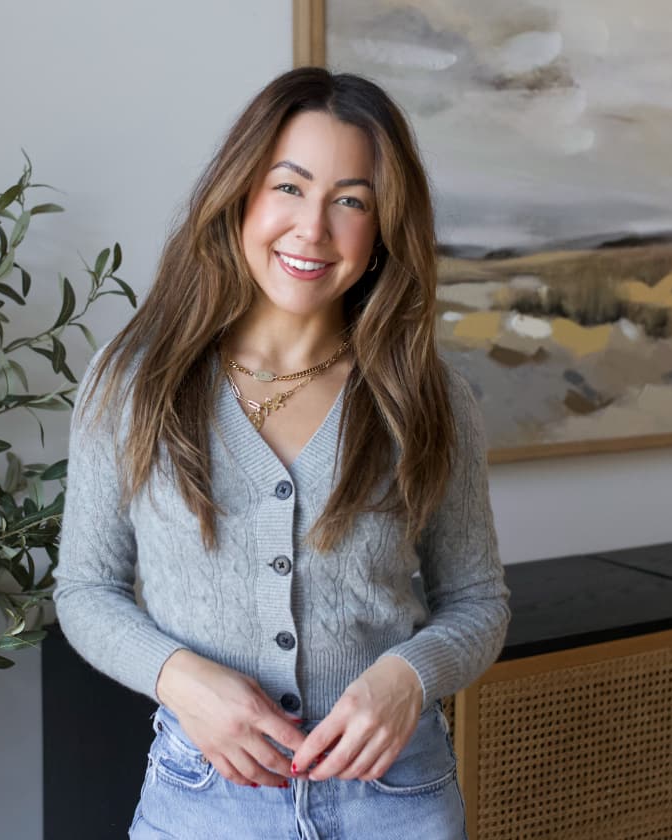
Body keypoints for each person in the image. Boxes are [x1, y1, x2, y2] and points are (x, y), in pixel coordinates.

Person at [53, 66, 510, 839]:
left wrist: (408, 678)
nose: (313, 229)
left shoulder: (427, 399)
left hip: (395, 802)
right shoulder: (136, 381)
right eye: (289, 187)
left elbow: (479, 601)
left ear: (382, 228)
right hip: (201, 802)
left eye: (351, 201)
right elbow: (84, 590)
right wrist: (181, 681)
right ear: (241, 194)